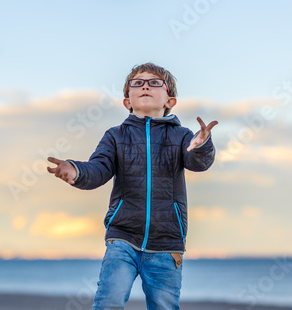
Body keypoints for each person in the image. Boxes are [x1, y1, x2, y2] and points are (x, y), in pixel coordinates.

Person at [47, 62, 218, 310]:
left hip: (167, 243)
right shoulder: (115, 136)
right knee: (109, 301)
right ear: (128, 101)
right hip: (122, 238)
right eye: (137, 83)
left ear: (170, 100)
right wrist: (76, 170)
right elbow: (99, 169)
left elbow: (198, 163)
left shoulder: (182, 136)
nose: (145, 86)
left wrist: (201, 144)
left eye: (154, 82)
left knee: (164, 306)